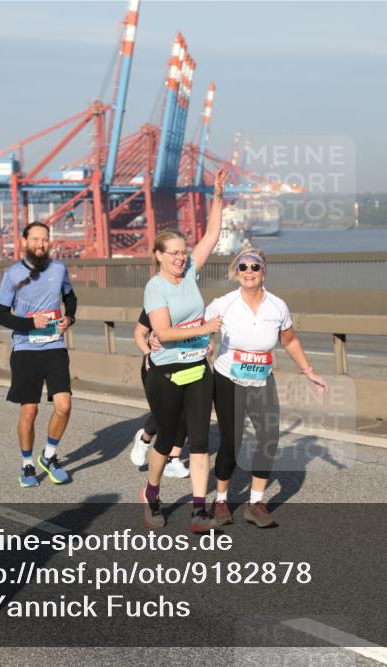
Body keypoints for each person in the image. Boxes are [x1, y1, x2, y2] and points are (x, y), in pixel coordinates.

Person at [205, 247, 327, 528]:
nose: (249, 272)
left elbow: (290, 341)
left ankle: (255, 502)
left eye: (255, 267)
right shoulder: (222, 303)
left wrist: (308, 371)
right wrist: (201, 343)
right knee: (231, 442)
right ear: (236, 273)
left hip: (262, 379)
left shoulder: (277, 306)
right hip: (228, 379)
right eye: (243, 267)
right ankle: (221, 500)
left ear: (264, 272)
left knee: (269, 437)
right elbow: (197, 329)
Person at [140, 168, 229, 533]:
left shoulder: (190, 271)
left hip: (197, 366)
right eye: (173, 253)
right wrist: (204, 327)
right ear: (159, 256)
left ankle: (198, 510)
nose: (180, 258)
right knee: (166, 437)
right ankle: (152, 492)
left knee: (201, 439)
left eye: (182, 252)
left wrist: (218, 196)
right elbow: (160, 331)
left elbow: (212, 235)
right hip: (165, 371)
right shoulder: (154, 288)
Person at [0, 222, 77, 488]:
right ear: (25, 242)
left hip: (54, 346)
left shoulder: (59, 269)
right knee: (29, 411)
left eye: (45, 240)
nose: (40, 244)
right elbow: (0, 314)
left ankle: (49, 456)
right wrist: (31, 324)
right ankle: (27, 464)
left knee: (64, 406)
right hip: (26, 349)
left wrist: (69, 318)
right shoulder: (13, 274)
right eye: (35, 239)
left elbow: (70, 298)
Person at [130, 308, 189, 478]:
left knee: (185, 408)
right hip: (157, 363)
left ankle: (173, 459)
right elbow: (139, 333)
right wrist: (148, 353)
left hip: (185, 362)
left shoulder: (191, 303)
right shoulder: (157, 302)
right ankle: (144, 438)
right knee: (166, 411)